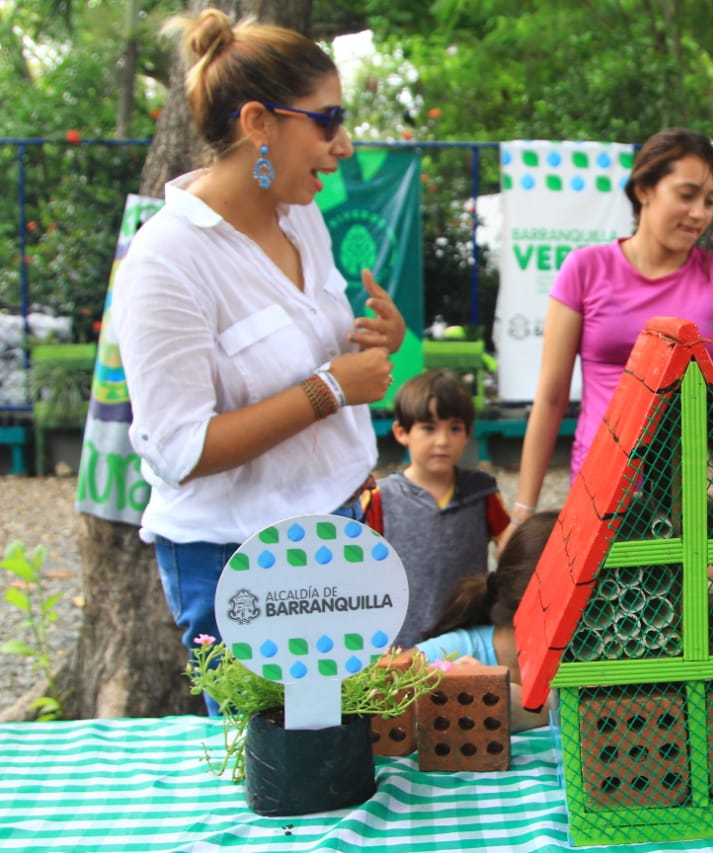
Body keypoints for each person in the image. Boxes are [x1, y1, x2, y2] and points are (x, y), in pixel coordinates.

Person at [113, 10, 405, 710]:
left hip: (335, 519)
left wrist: (374, 343)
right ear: (258, 122)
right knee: (277, 776)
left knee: (341, 744)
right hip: (234, 556)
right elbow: (182, 448)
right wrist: (333, 387)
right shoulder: (167, 260)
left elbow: (315, 353)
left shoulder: (299, 214)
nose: (342, 144)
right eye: (326, 118)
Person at [508, 127, 713, 532]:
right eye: (687, 195)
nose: (700, 213)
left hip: (696, 492)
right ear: (644, 189)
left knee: (688, 596)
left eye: (710, 202)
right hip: (602, 486)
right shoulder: (586, 269)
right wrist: (523, 508)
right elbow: (552, 398)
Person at [373, 369, 511, 649]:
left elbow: (509, 548)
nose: (443, 441)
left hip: (468, 644)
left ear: (468, 433)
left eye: (455, 428)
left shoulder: (482, 493)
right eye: (428, 428)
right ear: (402, 432)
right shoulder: (380, 497)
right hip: (398, 646)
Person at [416, 510, 559, 732]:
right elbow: (370, 696)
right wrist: (439, 694)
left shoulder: (589, 660)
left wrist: (541, 711)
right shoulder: (453, 651)